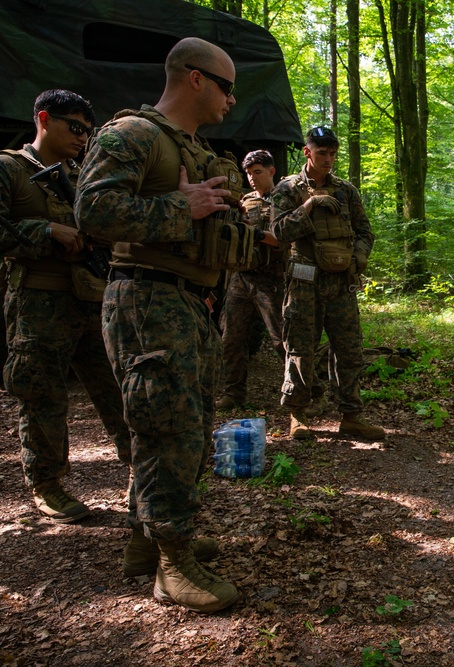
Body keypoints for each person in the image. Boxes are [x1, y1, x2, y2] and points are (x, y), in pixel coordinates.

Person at [76, 37, 278, 613]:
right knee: (171, 429)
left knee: (180, 423)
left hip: (186, 301)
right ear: (194, 78)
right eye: (226, 86)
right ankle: (172, 564)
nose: (232, 101)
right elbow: (90, 212)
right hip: (146, 301)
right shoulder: (132, 136)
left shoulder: (189, 147)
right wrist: (178, 208)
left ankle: (150, 540)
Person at [0, 89, 131, 524]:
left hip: (91, 299)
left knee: (118, 388)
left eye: (87, 132)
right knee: (43, 397)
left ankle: (140, 468)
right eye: (74, 127)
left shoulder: (81, 177)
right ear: (43, 119)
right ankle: (47, 483)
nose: (82, 138)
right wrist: (45, 231)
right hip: (39, 302)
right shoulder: (10, 169)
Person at [269, 126, 383, 441]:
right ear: (307, 152)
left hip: (341, 282)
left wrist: (355, 260)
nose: (328, 159)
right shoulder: (288, 189)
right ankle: (297, 415)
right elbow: (278, 232)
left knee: (348, 350)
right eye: (322, 153)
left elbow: (365, 231)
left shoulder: (346, 190)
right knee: (300, 349)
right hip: (304, 283)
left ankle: (351, 415)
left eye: (333, 153)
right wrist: (309, 206)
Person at [216, 150, 287, 410]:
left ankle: (305, 392)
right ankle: (233, 393)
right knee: (232, 338)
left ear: (271, 171)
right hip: (242, 277)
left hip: (271, 279)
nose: (252, 177)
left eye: (257, 172)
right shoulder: (244, 201)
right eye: (248, 173)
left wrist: (254, 233)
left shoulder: (285, 199)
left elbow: (284, 238)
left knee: (282, 340)